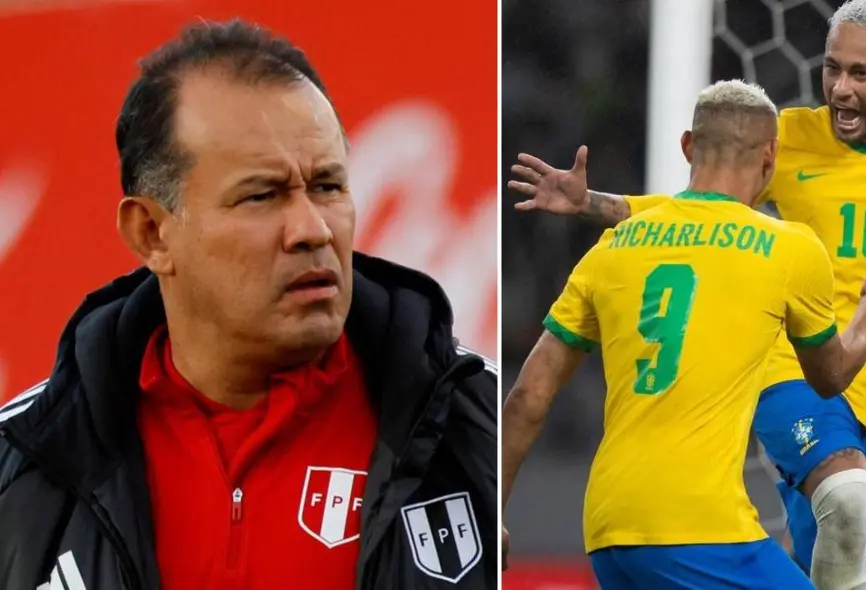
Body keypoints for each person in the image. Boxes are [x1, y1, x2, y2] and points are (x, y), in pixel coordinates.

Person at [506, 1, 866, 588]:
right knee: (846, 493)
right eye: (831, 68)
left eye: (859, 74)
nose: (840, 89)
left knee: (831, 555)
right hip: (796, 369)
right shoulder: (787, 138)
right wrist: (597, 205)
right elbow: (701, 209)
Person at [0, 19, 497, 590]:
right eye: (262, 195)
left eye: (329, 186)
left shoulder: (475, 425)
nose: (312, 229)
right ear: (153, 234)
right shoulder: (25, 462)